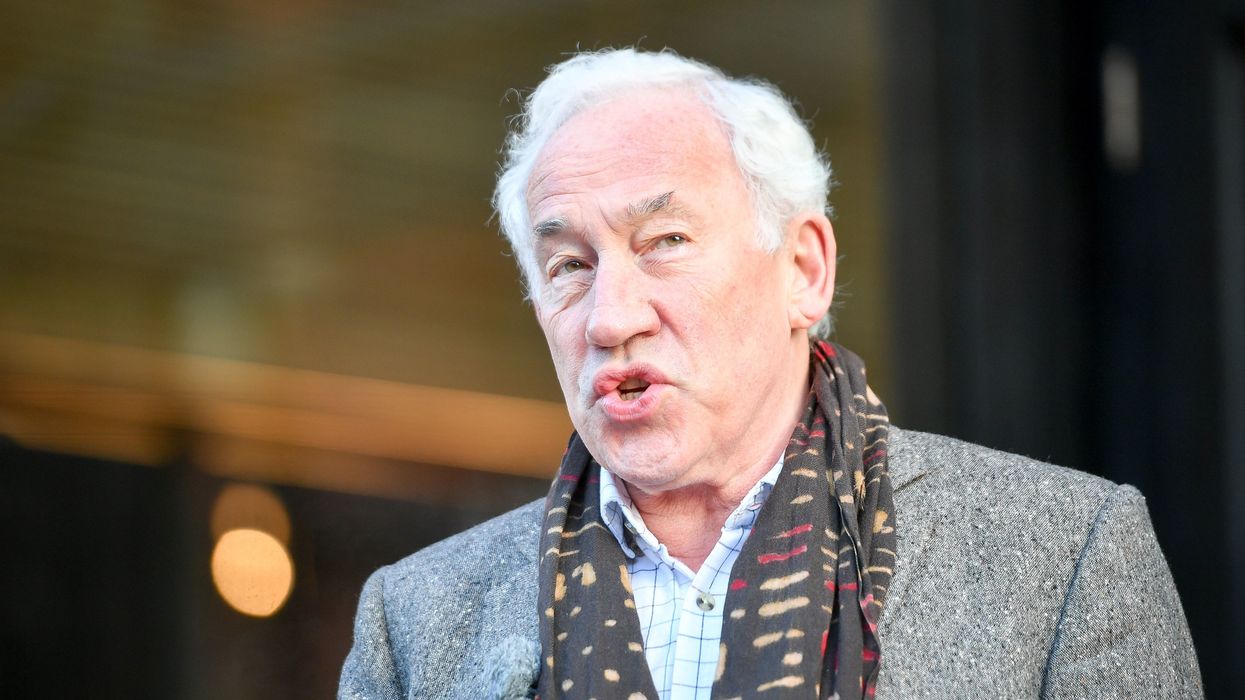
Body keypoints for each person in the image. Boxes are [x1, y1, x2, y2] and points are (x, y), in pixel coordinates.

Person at [339, 48, 1201, 699]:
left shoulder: (1063, 556)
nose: (610, 317)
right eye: (568, 265)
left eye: (664, 243)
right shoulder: (416, 620)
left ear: (803, 271)